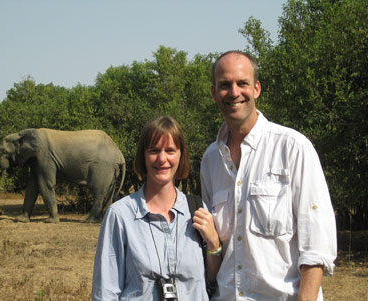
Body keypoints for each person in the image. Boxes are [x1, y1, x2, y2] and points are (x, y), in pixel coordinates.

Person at [200, 50, 337, 301]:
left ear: (256, 89)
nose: (234, 92)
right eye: (224, 85)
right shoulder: (210, 161)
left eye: (242, 83)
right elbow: (216, 247)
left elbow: (317, 245)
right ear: (213, 93)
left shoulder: (293, 148)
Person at [92, 115, 221, 300]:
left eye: (170, 150)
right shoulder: (120, 215)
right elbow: (105, 291)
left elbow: (211, 283)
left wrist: (214, 244)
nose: (162, 159)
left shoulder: (199, 210)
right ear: (143, 156)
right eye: (154, 150)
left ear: (180, 155)